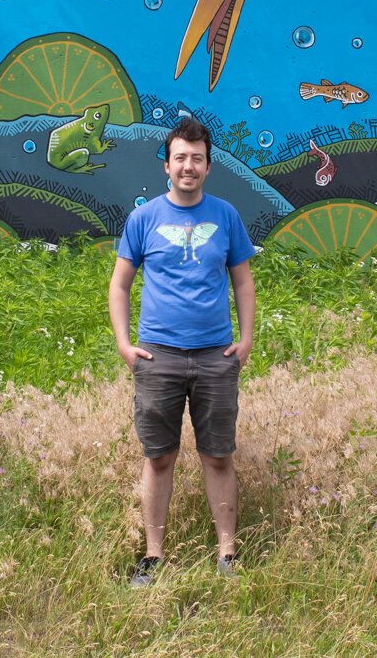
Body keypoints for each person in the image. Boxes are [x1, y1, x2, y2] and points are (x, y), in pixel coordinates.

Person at [109, 117, 257, 586]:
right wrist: (125, 344)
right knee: (159, 457)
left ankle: (227, 553)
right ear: (166, 166)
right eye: (180, 158)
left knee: (218, 455)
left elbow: (243, 281)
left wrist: (246, 338)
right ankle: (153, 556)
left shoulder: (226, 216)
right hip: (158, 357)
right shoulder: (144, 219)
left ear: (208, 167)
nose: (188, 166)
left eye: (197, 158)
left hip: (216, 355)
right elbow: (119, 284)